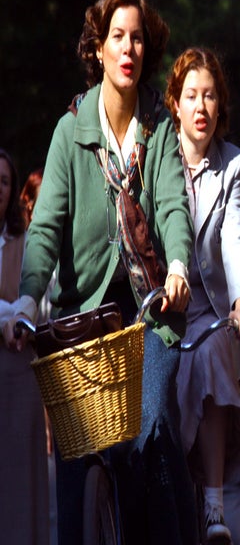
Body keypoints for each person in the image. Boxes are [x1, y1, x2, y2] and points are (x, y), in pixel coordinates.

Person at [3, 0, 196, 545]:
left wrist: (180, 266)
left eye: (138, 38)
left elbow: (171, 205)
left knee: (152, 428)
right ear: (99, 48)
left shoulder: (159, 129)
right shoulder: (70, 131)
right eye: (118, 37)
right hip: (80, 320)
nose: (129, 48)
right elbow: (44, 231)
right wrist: (24, 299)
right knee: (75, 457)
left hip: (149, 314)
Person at [165, 47, 240, 544]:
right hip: (163, 302)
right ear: (175, 103)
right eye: (192, 96)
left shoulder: (234, 164)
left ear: (221, 106)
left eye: (211, 96)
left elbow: (236, 236)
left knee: (215, 351)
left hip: (212, 310)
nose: (201, 107)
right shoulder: (156, 153)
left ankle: (214, 505)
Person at [0, 149, 50, 545]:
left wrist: (17, 319)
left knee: (23, 481)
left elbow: (40, 299)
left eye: (4, 181)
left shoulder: (26, 242)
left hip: (20, 366)